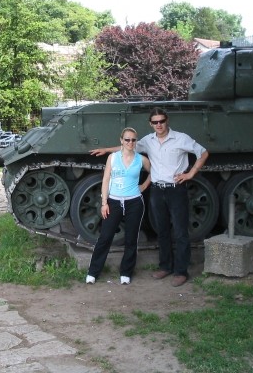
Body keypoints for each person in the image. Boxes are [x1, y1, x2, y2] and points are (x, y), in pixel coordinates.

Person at [90, 107, 209, 287]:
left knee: (180, 231)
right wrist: (107, 150)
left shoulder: (181, 138)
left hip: (176, 189)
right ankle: (165, 266)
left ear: (167, 120)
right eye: (155, 122)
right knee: (161, 230)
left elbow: (203, 152)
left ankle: (181, 271)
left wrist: (191, 173)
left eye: (161, 121)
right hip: (157, 190)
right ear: (150, 124)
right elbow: (128, 147)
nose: (159, 125)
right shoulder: (148, 140)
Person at [86, 127, 151, 285]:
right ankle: (93, 272)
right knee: (105, 237)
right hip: (114, 202)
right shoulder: (113, 158)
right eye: (127, 139)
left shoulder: (141, 159)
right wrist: (104, 202)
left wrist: (143, 186)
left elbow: (154, 172)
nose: (130, 142)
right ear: (121, 140)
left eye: (133, 140)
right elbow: (106, 180)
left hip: (134, 202)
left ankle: (126, 272)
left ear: (136, 141)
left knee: (131, 238)